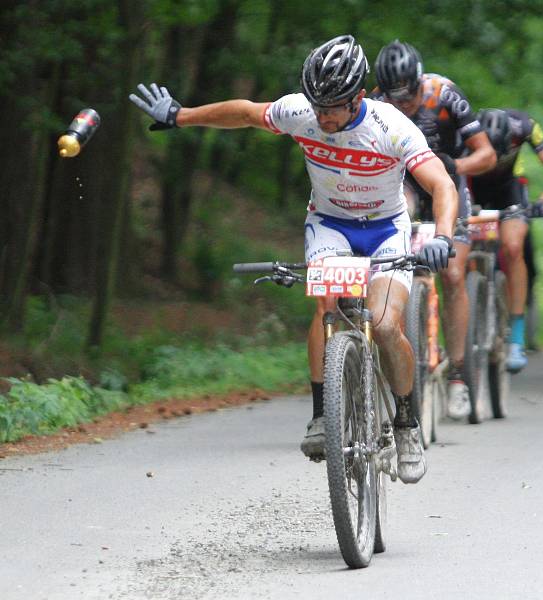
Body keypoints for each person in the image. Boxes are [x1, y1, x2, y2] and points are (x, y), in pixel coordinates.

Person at [129, 35, 460, 484]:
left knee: (384, 326)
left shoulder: (391, 127)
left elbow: (441, 184)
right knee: (327, 307)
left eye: (333, 108)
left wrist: (441, 236)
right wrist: (179, 115)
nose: (322, 117)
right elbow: (246, 112)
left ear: (358, 98)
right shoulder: (301, 112)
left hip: (386, 230)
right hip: (330, 224)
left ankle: (405, 423)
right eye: (316, 105)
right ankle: (323, 415)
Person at [372, 40, 496, 417]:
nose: (403, 106)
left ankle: (458, 372)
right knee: (394, 253)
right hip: (405, 187)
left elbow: (486, 154)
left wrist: (454, 168)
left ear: (419, 80)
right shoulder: (376, 104)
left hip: (447, 182)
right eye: (395, 100)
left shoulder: (445, 95)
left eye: (408, 97)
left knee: (454, 272)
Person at [470, 108, 543, 371]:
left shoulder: (524, 126)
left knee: (514, 247)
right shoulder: (464, 128)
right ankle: (470, 316)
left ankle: (516, 335)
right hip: (472, 186)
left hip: (509, 189)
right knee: (461, 251)